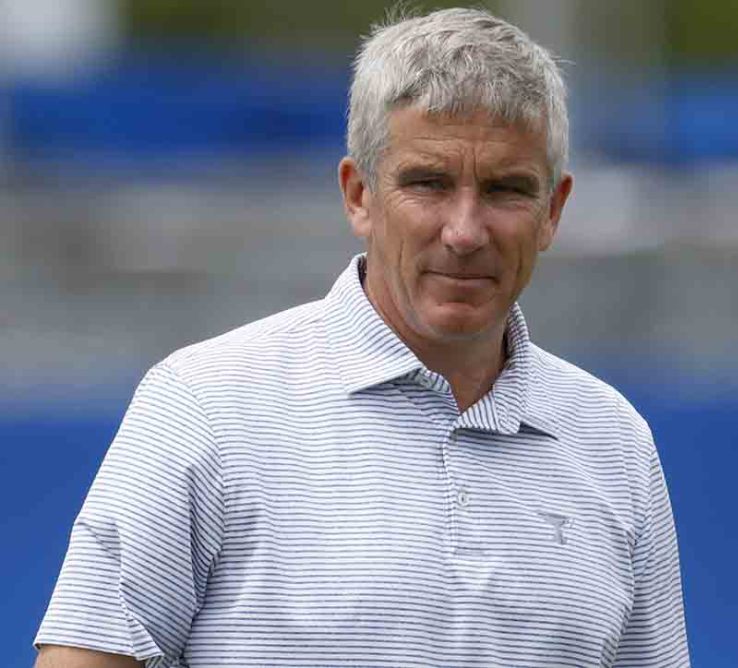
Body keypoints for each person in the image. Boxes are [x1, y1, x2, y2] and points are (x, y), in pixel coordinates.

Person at [33, 7, 689, 667]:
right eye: (428, 183)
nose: (465, 231)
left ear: (553, 210)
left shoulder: (615, 445)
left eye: (505, 190)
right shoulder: (206, 406)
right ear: (358, 195)